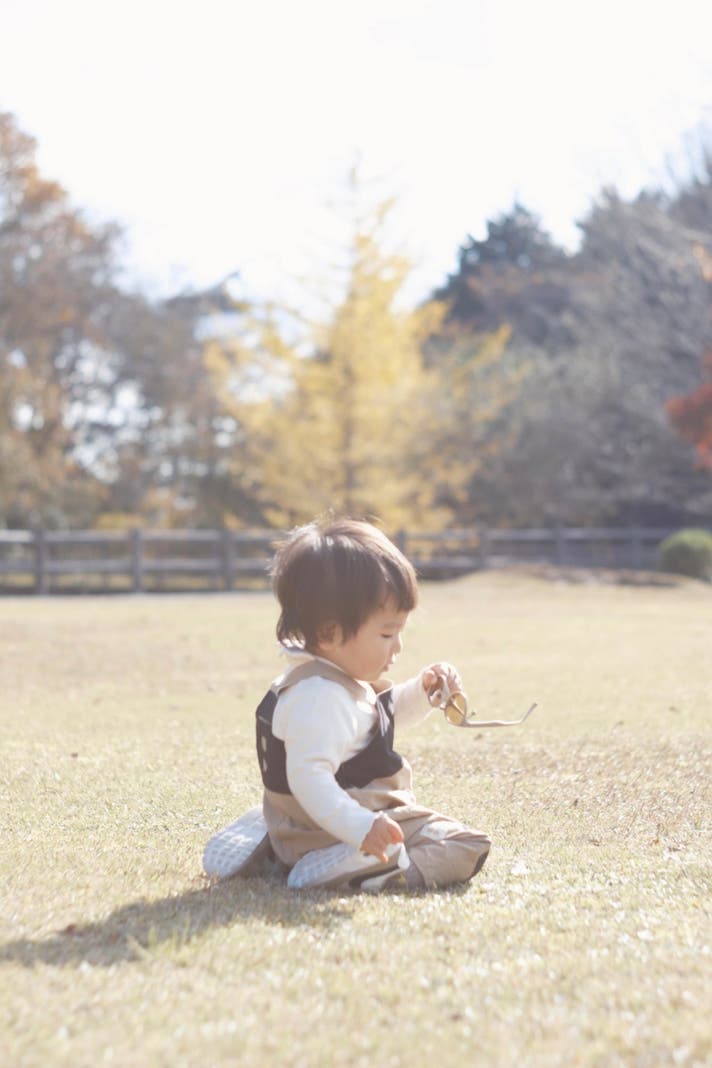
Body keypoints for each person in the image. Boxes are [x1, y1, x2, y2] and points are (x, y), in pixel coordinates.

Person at [203, 516, 491, 892]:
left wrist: (423, 691)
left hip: (307, 823)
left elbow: (375, 724)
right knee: (467, 844)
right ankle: (368, 868)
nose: (398, 647)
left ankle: (274, 840)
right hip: (350, 825)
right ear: (329, 632)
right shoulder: (321, 699)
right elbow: (309, 778)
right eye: (387, 633)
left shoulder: (321, 681)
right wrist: (361, 827)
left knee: (314, 816)